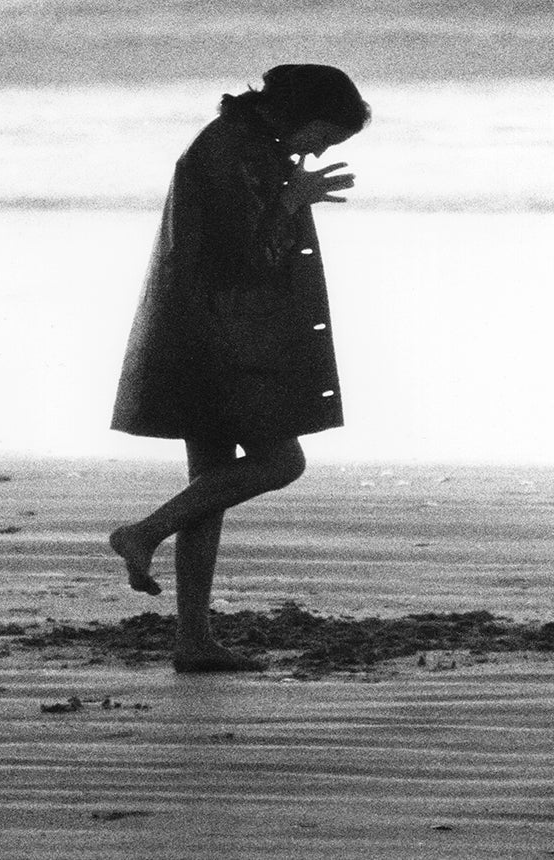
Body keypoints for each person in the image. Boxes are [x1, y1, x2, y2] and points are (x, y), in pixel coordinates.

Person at [108, 64, 371, 673]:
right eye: (322, 136)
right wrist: (292, 200)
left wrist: (288, 194)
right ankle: (143, 533)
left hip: (202, 332)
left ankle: (193, 640)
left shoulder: (241, 143)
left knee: (209, 488)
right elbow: (241, 260)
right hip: (227, 339)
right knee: (281, 462)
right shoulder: (234, 153)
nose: (318, 151)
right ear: (299, 114)